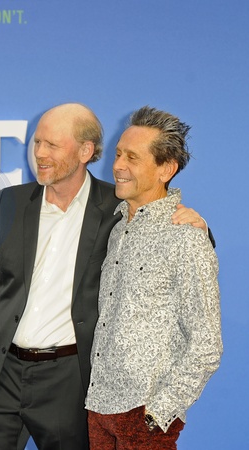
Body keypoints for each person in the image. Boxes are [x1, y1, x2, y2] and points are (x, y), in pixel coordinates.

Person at [0, 103, 210, 450]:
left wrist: (201, 227)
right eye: (37, 142)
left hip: (69, 380)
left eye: (52, 145)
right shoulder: (9, 203)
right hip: (2, 375)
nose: (39, 153)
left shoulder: (117, 207)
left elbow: (164, 228)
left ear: (86, 151)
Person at [85, 106, 222, 449]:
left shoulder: (186, 236)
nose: (118, 165)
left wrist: (159, 413)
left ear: (166, 169)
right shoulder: (118, 230)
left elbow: (207, 344)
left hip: (144, 415)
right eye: (118, 154)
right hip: (99, 408)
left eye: (132, 157)